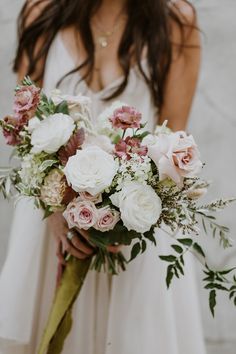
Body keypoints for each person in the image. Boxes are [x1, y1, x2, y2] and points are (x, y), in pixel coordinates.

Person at [0, 0, 206, 353]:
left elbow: (172, 143)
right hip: (51, 231)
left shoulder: (175, 22)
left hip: (136, 235)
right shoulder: (41, 14)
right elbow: (27, 132)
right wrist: (54, 211)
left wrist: (125, 220)